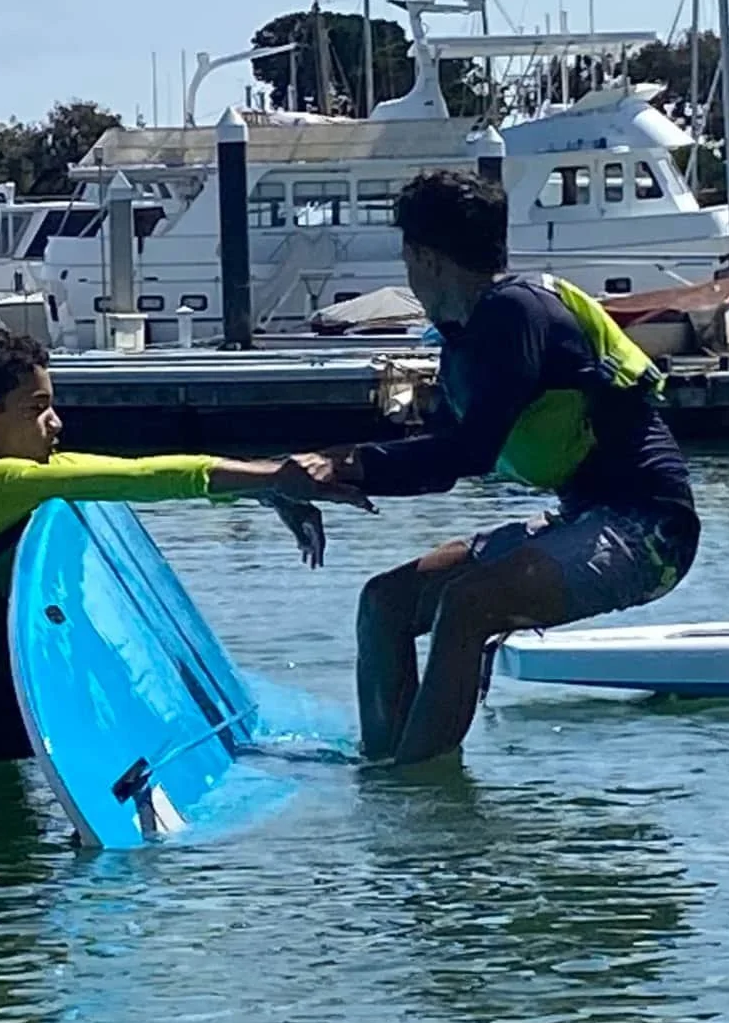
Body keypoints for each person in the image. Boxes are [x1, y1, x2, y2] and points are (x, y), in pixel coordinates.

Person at [295, 168, 702, 768]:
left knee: (467, 604)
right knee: (384, 604)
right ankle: (381, 769)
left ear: (423, 257)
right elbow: (439, 459)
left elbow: (469, 454)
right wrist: (329, 470)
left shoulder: (516, 315)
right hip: (580, 518)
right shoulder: (470, 331)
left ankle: (419, 794)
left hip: (649, 533)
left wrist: (345, 467)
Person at [0, 326, 368, 764]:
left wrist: (266, 484)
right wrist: (276, 477)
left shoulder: (0, 477)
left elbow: (141, 473)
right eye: (37, 408)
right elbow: (147, 476)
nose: (55, 422)